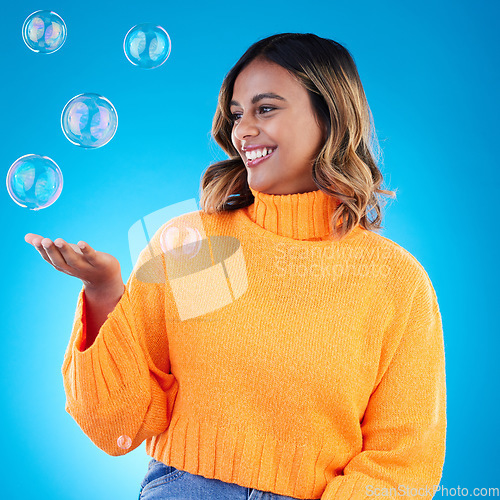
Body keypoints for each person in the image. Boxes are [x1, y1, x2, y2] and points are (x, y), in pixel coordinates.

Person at [25, 32, 446, 500]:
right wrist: (104, 293)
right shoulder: (195, 246)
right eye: (237, 114)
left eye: (266, 109)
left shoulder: (394, 280)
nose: (243, 131)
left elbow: (402, 460)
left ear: (329, 117)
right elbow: (116, 424)